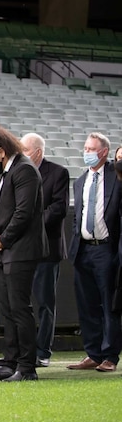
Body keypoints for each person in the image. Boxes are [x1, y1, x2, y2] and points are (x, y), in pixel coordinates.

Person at [0, 125, 48, 382]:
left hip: (21, 249)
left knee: (20, 308)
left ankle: (26, 367)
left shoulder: (24, 170)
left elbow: (23, 212)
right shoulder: (7, 171)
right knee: (7, 308)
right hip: (6, 250)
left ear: (2, 151)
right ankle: (9, 363)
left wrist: (3, 239)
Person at [66, 132, 122, 373]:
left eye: (91, 149)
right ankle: (93, 353)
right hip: (83, 250)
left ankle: (110, 355)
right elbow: (77, 216)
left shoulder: (116, 178)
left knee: (109, 304)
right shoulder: (80, 181)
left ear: (104, 152)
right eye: (86, 148)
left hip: (106, 249)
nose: (87, 152)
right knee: (87, 305)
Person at [21, 133, 69, 367]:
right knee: (20, 302)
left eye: (25, 149)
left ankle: (42, 351)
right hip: (23, 248)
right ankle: (24, 351)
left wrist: (30, 223)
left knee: (44, 302)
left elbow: (58, 208)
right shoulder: (20, 172)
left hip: (47, 249)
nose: (22, 154)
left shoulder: (58, 172)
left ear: (38, 152)